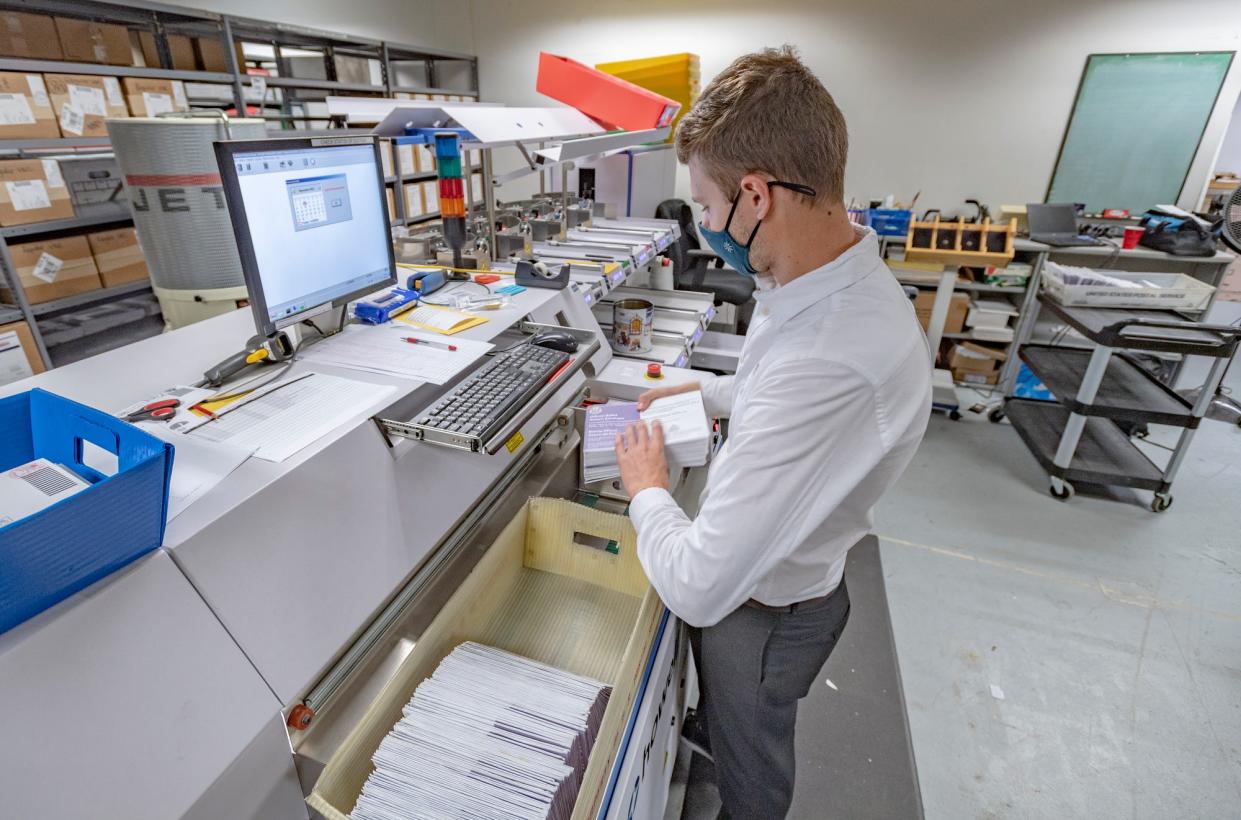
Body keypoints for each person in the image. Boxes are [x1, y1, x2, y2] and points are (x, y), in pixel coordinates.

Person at [614, 46, 932, 819]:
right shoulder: (816, 273)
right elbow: (780, 378)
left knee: (752, 781)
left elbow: (697, 586)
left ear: (755, 195)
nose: (705, 225)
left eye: (705, 205)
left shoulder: (830, 352)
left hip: (764, 617)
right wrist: (718, 390)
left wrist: (647, 491)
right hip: (785, 586)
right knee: (731, 731)